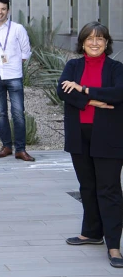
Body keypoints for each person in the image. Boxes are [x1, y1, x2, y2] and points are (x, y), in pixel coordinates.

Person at [57, 22, 123, 269]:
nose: (94, 43)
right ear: (82, 42)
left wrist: (84, 90)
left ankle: (114, 245)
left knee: (109, 190)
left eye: (100, 39)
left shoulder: (116, 68)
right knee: (87, 186)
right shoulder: (73, 66)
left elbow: (118, 93)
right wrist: (95, 101)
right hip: (79, 136)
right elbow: (63, 91)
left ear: (107, 43)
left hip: (109, 137)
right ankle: (91, 232)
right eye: (90, 39)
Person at [0, 0, 35, 161]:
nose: (0, 12)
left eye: (3, 9)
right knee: (1, 114)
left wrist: (12, 64)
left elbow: (26, 51)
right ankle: (6, 146)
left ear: (8, 10)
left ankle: (20, 149)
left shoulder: (17, 29)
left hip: (13, 76)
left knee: (18, 113)